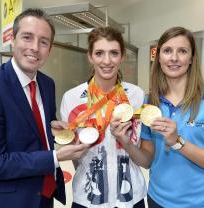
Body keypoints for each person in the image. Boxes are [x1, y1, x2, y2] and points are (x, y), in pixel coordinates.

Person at [0, 8, 89, 208]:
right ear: (12, 39)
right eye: (27, 37)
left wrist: (51, 127)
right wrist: (56, 157)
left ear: (50, 49)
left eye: (44, 42)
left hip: (43, 196)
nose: (35, 48)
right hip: (5, 201)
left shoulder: (47, 84)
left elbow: (31, 128)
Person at [110, 26, 204, 208]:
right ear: (159, 58)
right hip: (159, 201)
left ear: (191, 59)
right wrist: (125, 141)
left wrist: (178, 142)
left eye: (182, 51)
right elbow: (147, 161)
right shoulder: (151, 103)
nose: (174, 58)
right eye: (167, 51)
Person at [60, 26, 146, 208]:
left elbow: (141, 149)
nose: (107, 61)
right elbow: (75, 154)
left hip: (130, 197)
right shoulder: (71, 98)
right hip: (88, 198)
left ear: (122, 56)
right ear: (90, 57)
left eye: (114, 53)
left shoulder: (136, 95)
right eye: (99, 53)